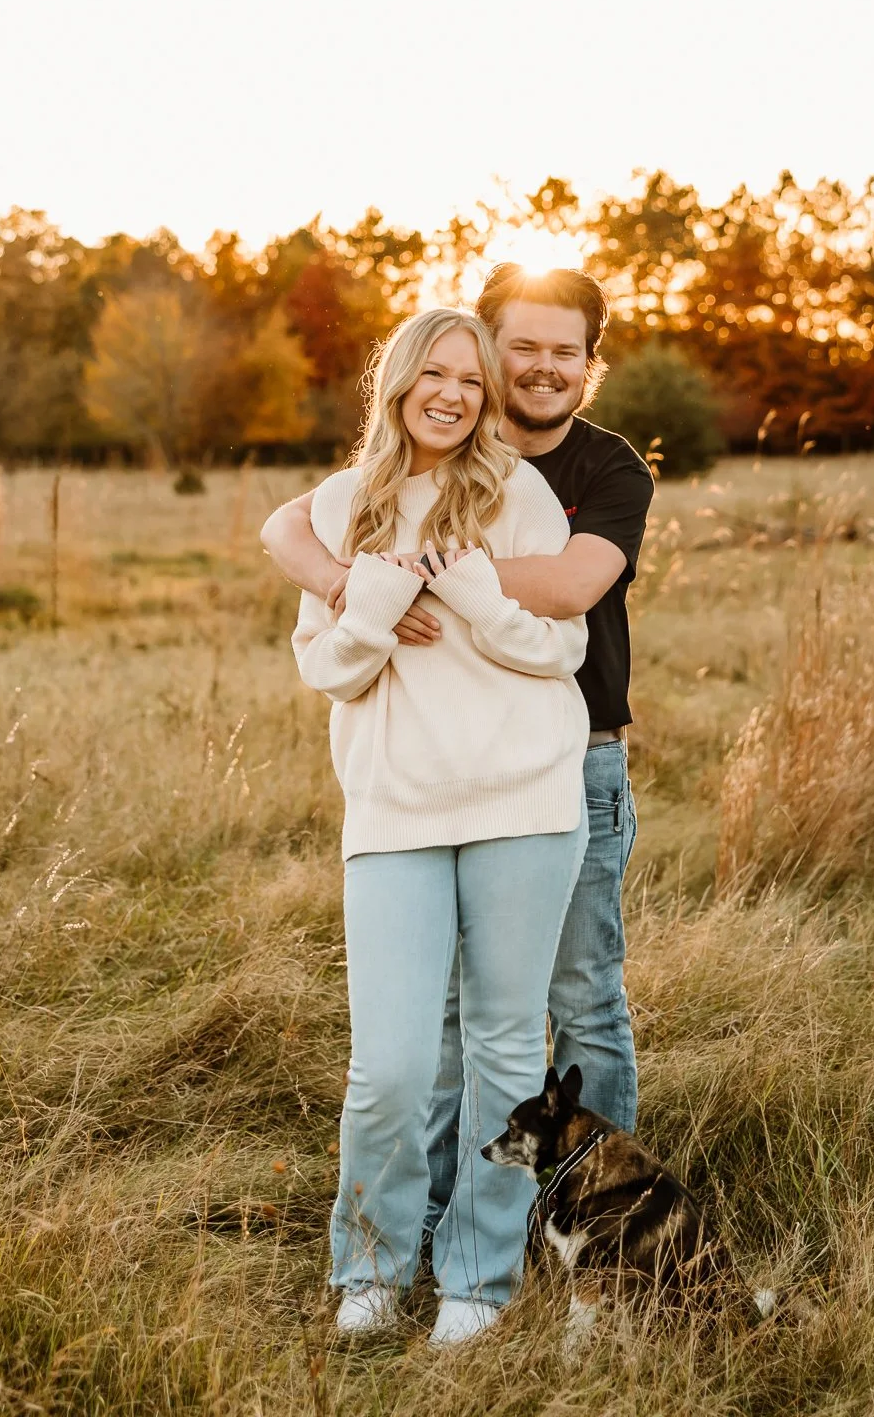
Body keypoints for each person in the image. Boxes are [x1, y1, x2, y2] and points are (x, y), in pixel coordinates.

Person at [263, 267, 654, 1193]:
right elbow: (288, 523)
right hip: (428, 775)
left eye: (566, 351)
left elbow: (564, 589)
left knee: (579, 998)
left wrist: (413, 569)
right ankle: (448, 1206)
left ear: (590, 366)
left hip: (572, 760)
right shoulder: (408, 456)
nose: (542, 367)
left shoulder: (603, 469)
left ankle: (594, 1206)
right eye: (521, 347)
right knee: (442, 1019)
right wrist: (348, 581)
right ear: (480, 348)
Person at [289, 306, 590, 1347]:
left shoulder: (519, 493)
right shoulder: (342, 503)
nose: (455, 393)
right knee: (391, 1063)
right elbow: (326, 665)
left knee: (507, 1054)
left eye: (473, 378)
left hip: (524, 804)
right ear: (401, 380)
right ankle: (370, 1262)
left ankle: (479, 1272)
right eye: (438, 373)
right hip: (394, 812)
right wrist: (369, 600)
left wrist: (471, 591)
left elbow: (561, 649)